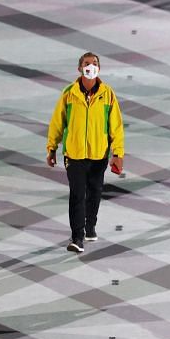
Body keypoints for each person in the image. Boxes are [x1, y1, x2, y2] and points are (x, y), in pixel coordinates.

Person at [47, 52, 125, 254]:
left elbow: (116, 127)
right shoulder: (69, 93)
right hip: (74, 154)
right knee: (77, 194)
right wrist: (51, 148)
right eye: (87, 63)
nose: (91, 66)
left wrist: (118, 153)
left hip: (99, 154)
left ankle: (90, 226)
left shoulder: (107, 94)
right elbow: (58, 122)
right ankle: (77, 237)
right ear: (79, 68)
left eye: (95, 63)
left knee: (95, 193)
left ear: (99, 68)